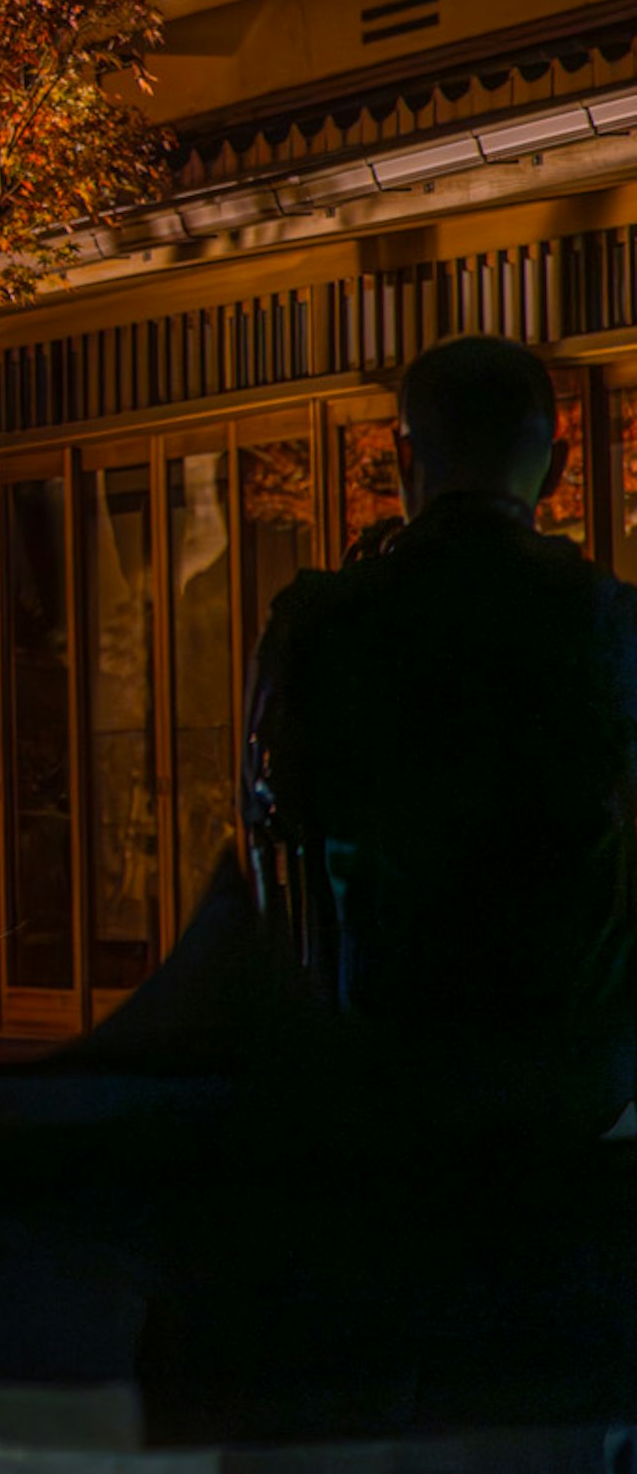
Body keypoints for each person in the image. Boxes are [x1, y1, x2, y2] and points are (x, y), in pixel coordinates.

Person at [243, 336, 637, 1137]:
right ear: (556, 469)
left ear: (403, 453)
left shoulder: (323, 626)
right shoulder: (612, 625)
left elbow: (275, 840)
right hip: (574, 1075)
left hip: (386, 1067)